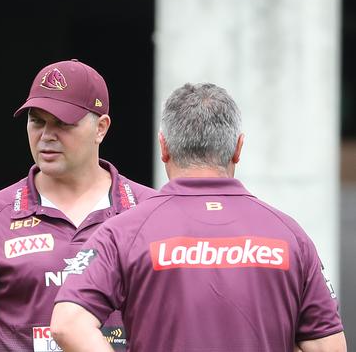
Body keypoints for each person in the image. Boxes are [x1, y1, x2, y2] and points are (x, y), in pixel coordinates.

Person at [50, 82, 347, 351]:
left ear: (163, 147)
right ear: (238, 148)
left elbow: (67, 324)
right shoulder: (289, 234)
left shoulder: (124, 231)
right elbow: (328, 346)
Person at [0, 59, 156, 351]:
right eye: (37, 121)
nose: (47, 136)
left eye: (63, 123)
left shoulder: (149, 210)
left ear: (101, 128)